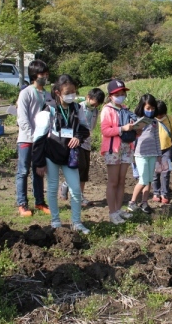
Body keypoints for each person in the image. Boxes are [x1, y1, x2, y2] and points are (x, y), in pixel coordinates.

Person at [32, 74, 91, 234]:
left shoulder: (78, 109)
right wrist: (39, 162)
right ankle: (55, 221)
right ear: (58, 92)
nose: (72, 95)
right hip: (51, 154)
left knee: (76, 190)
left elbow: (85, 129)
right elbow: (38, 138)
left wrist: (78, 138)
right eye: (68, 92)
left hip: (69, 155)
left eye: (74, 91)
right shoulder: (49, 109)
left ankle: (77, 222)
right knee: (52, 187)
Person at [16, 60, 52, 217]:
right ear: (34, 75)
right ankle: (22, 203)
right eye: (42, 74)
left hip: (42, 140)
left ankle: (39, 202)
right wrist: (33, 136)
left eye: (46, 74)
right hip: (26, 139)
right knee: (23, 171)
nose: (45, 77)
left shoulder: (48, 94)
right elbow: (22, 119)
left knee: (39, 171)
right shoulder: (26, 93)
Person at [59, 88, 106, 207]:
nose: (96, 105)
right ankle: (69, 188)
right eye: (94, 101)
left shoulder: (95, 111)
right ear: (88, 97)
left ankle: (79, 195)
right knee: (79, 167)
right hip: (77, 142)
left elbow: (91, 127)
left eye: (98, 103)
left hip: (87, 142)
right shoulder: (78, 108)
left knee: (84, 171)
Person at [100, 79, 137, 224]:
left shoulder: (126, 109)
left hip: (126, 147)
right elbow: (105, 130)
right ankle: (112, 212)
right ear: (110, 95)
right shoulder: (107, 110)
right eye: (117, 94)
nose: (121, 96)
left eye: (123, 93)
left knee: (122, 181)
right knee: (113, 181)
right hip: (113, 149)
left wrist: (136, 128)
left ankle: (118, 209)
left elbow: (131, 130)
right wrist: (122, 128)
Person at [127, 94, 162, 214]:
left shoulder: (154, 122)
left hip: (152, 154)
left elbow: (157, 138)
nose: (150, 111)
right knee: (143, 179)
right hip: (140, 154)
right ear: (142, 107)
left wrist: (159, 154)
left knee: (149, 180)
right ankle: (132, 202)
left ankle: (144, 202)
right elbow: (132, 138)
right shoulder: (136, 120)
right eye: (148, 108)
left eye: (152, 108)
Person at [152, 100, 172, 204]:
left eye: (161, 115)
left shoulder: (170, 119)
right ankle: (156, 192)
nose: (159, 117)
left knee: (166, 172)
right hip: (154, 150)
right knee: (155, 172)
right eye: (158, 115)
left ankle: (164, 194)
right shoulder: (151, 120)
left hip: (167, 149)